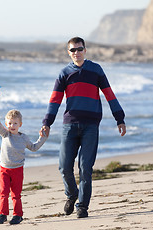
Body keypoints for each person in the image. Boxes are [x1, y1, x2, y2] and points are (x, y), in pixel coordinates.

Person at [41, 37, 126, 218]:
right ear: (68, 52)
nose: (76, 53)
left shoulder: (95, 70)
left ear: (85, 50)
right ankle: (72, 195)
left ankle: (82, 206)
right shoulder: (64, 73)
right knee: (64, 167)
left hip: (91, 126)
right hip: (69, 125)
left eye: (79, 49)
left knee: (85, 167)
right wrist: (47, 123)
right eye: (73, 50)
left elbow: (109, 94)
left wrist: (120, 118)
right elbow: (55, 99)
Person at [0, 105, 47, 224]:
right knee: (4, 193)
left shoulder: (23, 138)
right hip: (4, 169)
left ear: (20, 124)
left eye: (15, 123)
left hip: (17, 169)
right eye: (10, 123)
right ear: (7, 124)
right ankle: (3, 213)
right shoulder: (5, 134)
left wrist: (42, 138)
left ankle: (18, 215)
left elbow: (34, 147)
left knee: (16, 194)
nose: (12, 126)